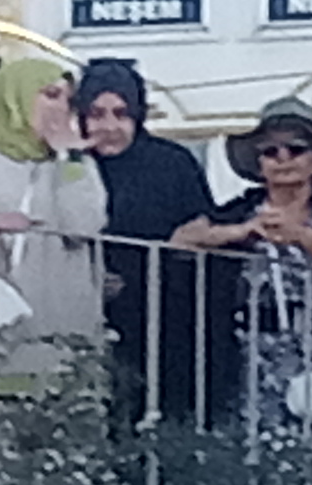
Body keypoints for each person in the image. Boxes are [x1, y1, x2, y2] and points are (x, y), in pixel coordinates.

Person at [182, 100, 312, 441]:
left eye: (296, 149)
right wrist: (240, 231)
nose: (283, 158)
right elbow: (182, 240)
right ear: (259, 164)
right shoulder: (242, 208)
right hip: (246, 353)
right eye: (270, 151)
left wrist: (304, 237)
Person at [0, 55, 108, 393]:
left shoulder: (77, 164)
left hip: (63, 326)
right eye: (50, 95)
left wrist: (69, 159)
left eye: (68, 100)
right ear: (15, 98)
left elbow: (83, 227)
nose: (61, 108)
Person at [83, 56, 217, 430]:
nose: (109, 127)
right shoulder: (68, 166)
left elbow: (200, 224)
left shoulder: (170, 163)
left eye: (121, 114)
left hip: (163, 319)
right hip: (84, 316)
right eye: (96, 114)